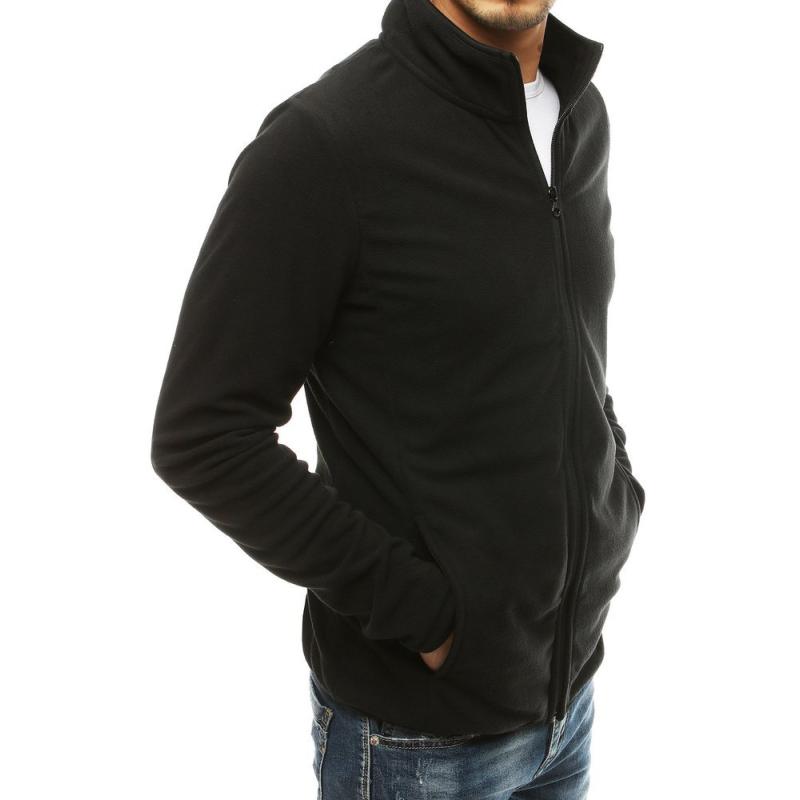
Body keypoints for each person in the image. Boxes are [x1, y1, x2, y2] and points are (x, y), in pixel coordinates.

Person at [150, 0, 647, 796]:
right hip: (416, 746)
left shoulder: (578, 115)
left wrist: (613, 495)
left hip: (570, 706)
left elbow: (569, 344)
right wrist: (426, 617)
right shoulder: (325, 144)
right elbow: (202, 435)